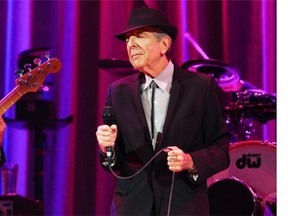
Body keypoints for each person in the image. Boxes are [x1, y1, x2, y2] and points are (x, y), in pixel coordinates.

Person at [96, 7, 230, 215]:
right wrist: (107, 149)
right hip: (131, 207)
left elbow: (221, 150)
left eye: (140, 35)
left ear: (164, 44)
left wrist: (190, 161)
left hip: (183, 205)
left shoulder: (200, 87)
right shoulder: (118, 91)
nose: (131, 44)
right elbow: (114, 164)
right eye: (128, 39)